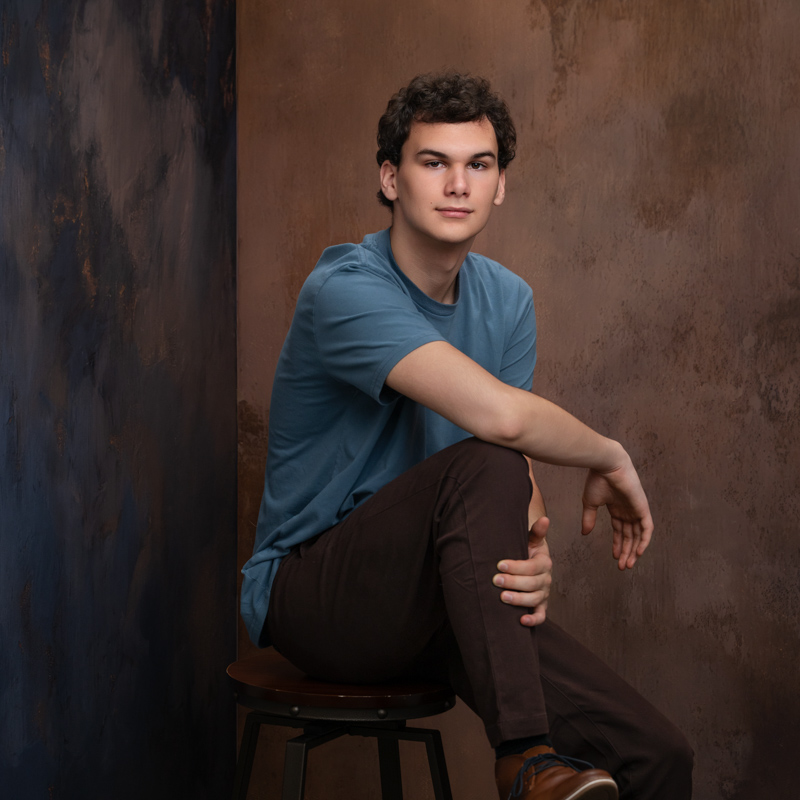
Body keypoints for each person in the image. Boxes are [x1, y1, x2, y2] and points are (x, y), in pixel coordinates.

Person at [241, 72, 693, 800]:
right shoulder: (344, 287)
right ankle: (525, 760)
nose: (458, 184)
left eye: (478, 165)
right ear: (390, 179)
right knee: (484, 456)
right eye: (433, 162)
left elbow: (514, 482)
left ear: (500, 185)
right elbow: (501, 425)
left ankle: (549, 762)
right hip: (317, 595)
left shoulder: (508, 301)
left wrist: (532, 548)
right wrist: (610, 454)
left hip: (443, 598)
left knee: (657, 754)